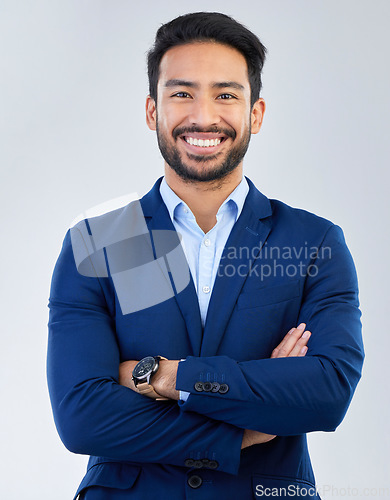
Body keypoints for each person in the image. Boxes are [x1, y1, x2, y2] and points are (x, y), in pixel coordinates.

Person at [47, 12, 364, 500]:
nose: (203, 116)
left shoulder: (314, 242)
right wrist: (242, 432)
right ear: (153, 111)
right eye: (181, 93)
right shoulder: (97, 243)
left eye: (225, 94)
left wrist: (167, 376)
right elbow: (82, 415)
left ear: (254, 113)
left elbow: (326, 393)